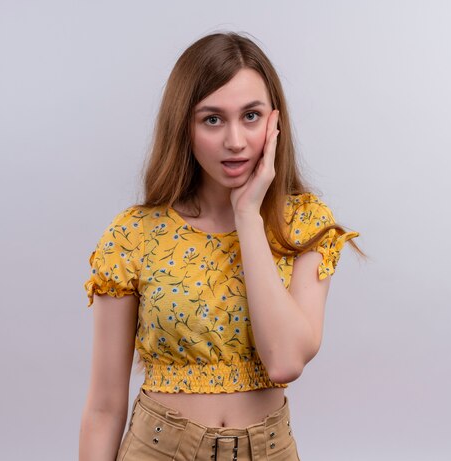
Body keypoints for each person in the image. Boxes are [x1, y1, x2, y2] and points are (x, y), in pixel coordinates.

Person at [78, 31, 364, 461]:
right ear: (185, 128)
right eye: (212, 119)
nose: (235, 140)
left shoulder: (303, 224)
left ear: (275, 121)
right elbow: (103, 406)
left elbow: (285, 362)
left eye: (251, 116)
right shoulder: (133, 235)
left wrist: (248, 215)